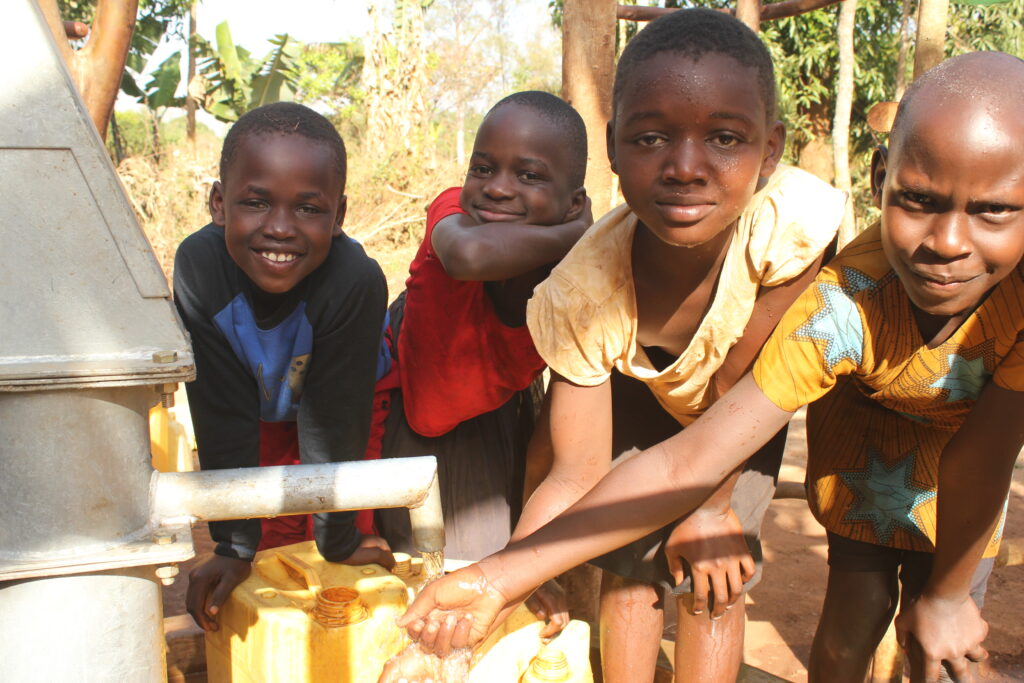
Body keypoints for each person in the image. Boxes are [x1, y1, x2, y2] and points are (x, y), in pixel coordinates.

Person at [398, 51, 1024, 683]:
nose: (947, 242)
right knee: (852, 609)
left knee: (944, 636)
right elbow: (673, 458)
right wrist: (498, 577)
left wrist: (946, 598)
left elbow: (986, 453)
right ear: (880, 179)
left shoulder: (789, 235)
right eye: (917, 200)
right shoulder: (838, 312)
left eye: (994, 210)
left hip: (961, 452)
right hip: (851, 438)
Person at [494, 10, 844, 683]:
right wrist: (519, 564)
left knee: (712, 572)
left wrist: (711, 509)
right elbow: (575, 471)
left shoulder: (791, 229)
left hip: (742, 406)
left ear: (769, 150)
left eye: (724, 138)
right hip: (643, 393)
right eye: (651, 137)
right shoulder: (584, 289)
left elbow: (736, 381)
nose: (686, 167)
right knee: (629, 566)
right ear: (614, 147)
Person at [173, 102, 394, 632]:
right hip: (258, 400)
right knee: (270, 547)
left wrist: (338, 540)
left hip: (353, 399)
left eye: (308, 209)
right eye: (256, 202)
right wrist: (233, 545)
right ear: (219, 204)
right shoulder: (199, 270)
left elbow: (335, 422)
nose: (280, 228)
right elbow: (221, 409)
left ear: (338, 217)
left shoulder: (354, 282)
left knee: (334, 543)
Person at [373, 91, 589, 570]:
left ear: (574, 202)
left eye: (529, 175)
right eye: (483, 169)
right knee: (403, 561)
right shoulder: (452, 216)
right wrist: (577, 231)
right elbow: (471, 258)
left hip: (491, 418)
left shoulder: (576, 283)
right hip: (406, 399)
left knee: (479, 560)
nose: (496, 188)